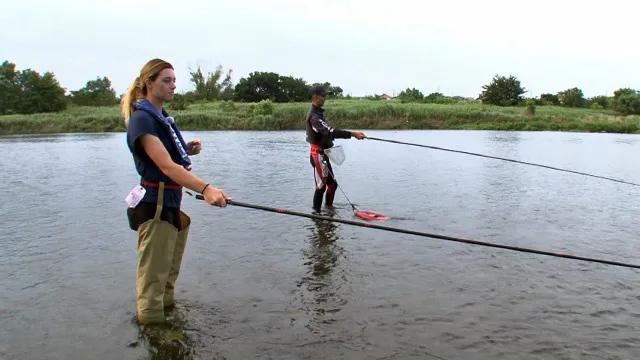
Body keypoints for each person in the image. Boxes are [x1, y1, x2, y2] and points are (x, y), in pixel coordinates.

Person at [122, 58, 230, 325]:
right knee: (152, 282)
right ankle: (154, 334)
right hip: (154, 205)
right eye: (166, 81)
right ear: (148, 83)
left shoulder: (160, 118)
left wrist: (187, 150)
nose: (173, 86)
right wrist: (206, 189)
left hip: (170, 202)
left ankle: (170, 322)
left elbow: (169, 159)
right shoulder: (142, 120)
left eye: (174, 81)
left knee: (168, 275)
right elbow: (167, 167)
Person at [305, 85, 366, 211]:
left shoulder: (319, 114)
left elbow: (328, 132)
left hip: (324, 154)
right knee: (322, 186)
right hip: (318, 155)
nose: (325, 98)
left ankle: (329, 210)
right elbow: (331, 132)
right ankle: (316, 216)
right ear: (315, 97)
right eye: (323, 95)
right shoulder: (314, 117)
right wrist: (353, 134)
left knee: (332, 185)